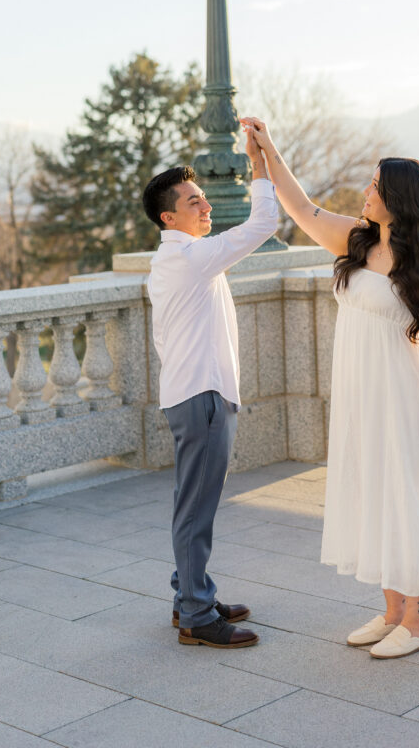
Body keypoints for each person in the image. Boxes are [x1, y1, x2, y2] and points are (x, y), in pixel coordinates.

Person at [240, 117, 419, 659]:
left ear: (398, 196)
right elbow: (301, 207)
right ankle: (393, 609)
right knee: (374, 489)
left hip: (402, 395)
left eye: (375, 185)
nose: (366, 191)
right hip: (360, 392)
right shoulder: (356, 239)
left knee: (406, 494)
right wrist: (267, 150)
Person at [142, 126, 278, 649]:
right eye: (193, 202)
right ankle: (197, 616)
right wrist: (260, 164)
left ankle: (190, 597)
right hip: (202, 398)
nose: (205, 207)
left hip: (193, 395)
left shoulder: (175, 258)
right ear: (167, 218)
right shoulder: (190, 259)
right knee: (196, 509)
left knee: (191, 505)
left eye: (203, 198)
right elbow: (264, 222)